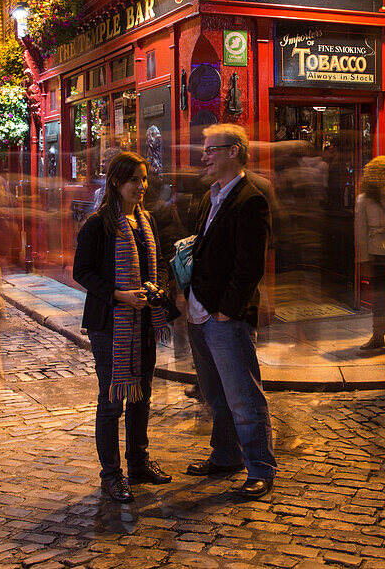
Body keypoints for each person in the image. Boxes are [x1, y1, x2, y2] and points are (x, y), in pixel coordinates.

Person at [182, 124, 276, 500]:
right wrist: (185, 292)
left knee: (243, 396)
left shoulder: (251, 198)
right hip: (197, 310)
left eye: (210, 150)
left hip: (224, 316)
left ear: (233, 151)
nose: (204, 156)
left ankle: (261, 467)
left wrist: (226, 311)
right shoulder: (210, 197)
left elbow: (249, 264)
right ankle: (225, 456)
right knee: (216, 394)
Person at [73, 152, 173, 503]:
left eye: (145, 179)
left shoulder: (146, 221)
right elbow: (82, 272)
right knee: (113, 398)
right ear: (116, 181)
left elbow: (159, 262)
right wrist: (119, 296)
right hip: (110, 324)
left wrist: (156, 287)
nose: (142, 187)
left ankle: (138, 462)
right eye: (135, 180)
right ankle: (111, 474)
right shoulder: (99, 224)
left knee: (142, 395)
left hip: (143, 319)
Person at [354, 156, 385, 352]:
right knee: (379, 296)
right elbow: (360, 231)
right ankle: (378, 334)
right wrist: (363, 259)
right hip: (376, 252)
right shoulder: (363, 199)